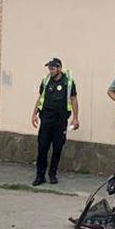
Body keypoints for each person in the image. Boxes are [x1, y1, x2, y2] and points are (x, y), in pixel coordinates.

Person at [31, 57, 79, 185]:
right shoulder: (46, 81)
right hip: (46, 118)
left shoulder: (68, 82)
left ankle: (52, 173)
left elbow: (73, 99)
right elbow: (40, 97)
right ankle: (40, 176)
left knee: (57, 148)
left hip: (60, 120)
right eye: (49, 68)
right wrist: (34, 114)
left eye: (52, 68)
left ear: (59, 68)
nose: (50, 71)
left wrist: (75, 118)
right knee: (42, 148)